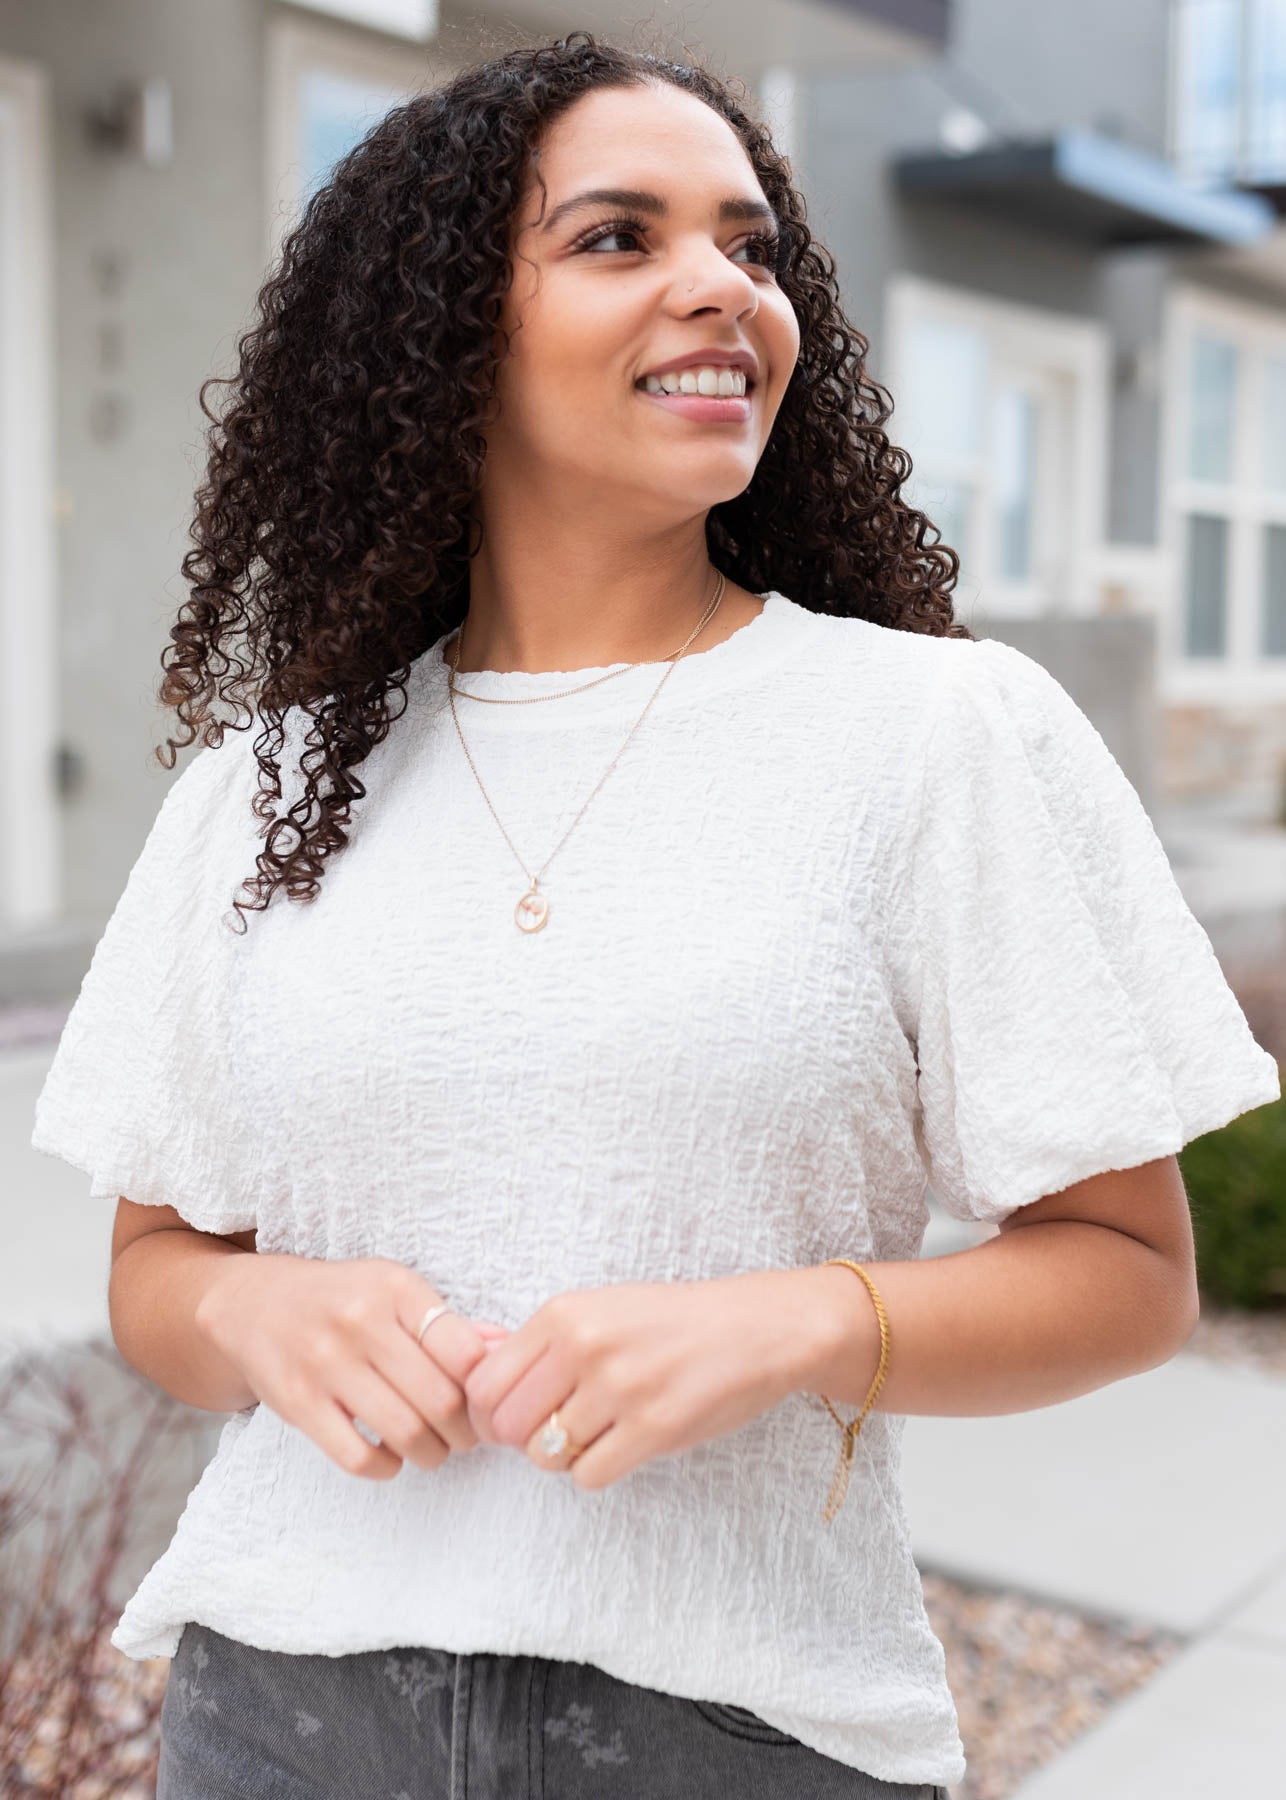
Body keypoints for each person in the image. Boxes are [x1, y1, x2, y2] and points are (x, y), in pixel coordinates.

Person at [30, 29, 1279, 1800]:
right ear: (443, 337)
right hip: (286, 1715)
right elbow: (160, 1269)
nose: (720, 289)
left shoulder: (933, 734)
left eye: (749, 246)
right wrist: (254, 1322)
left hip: (735, 1732)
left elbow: (1133, 1275)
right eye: (619, 238)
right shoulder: (268, 787)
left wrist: (792, 1325)